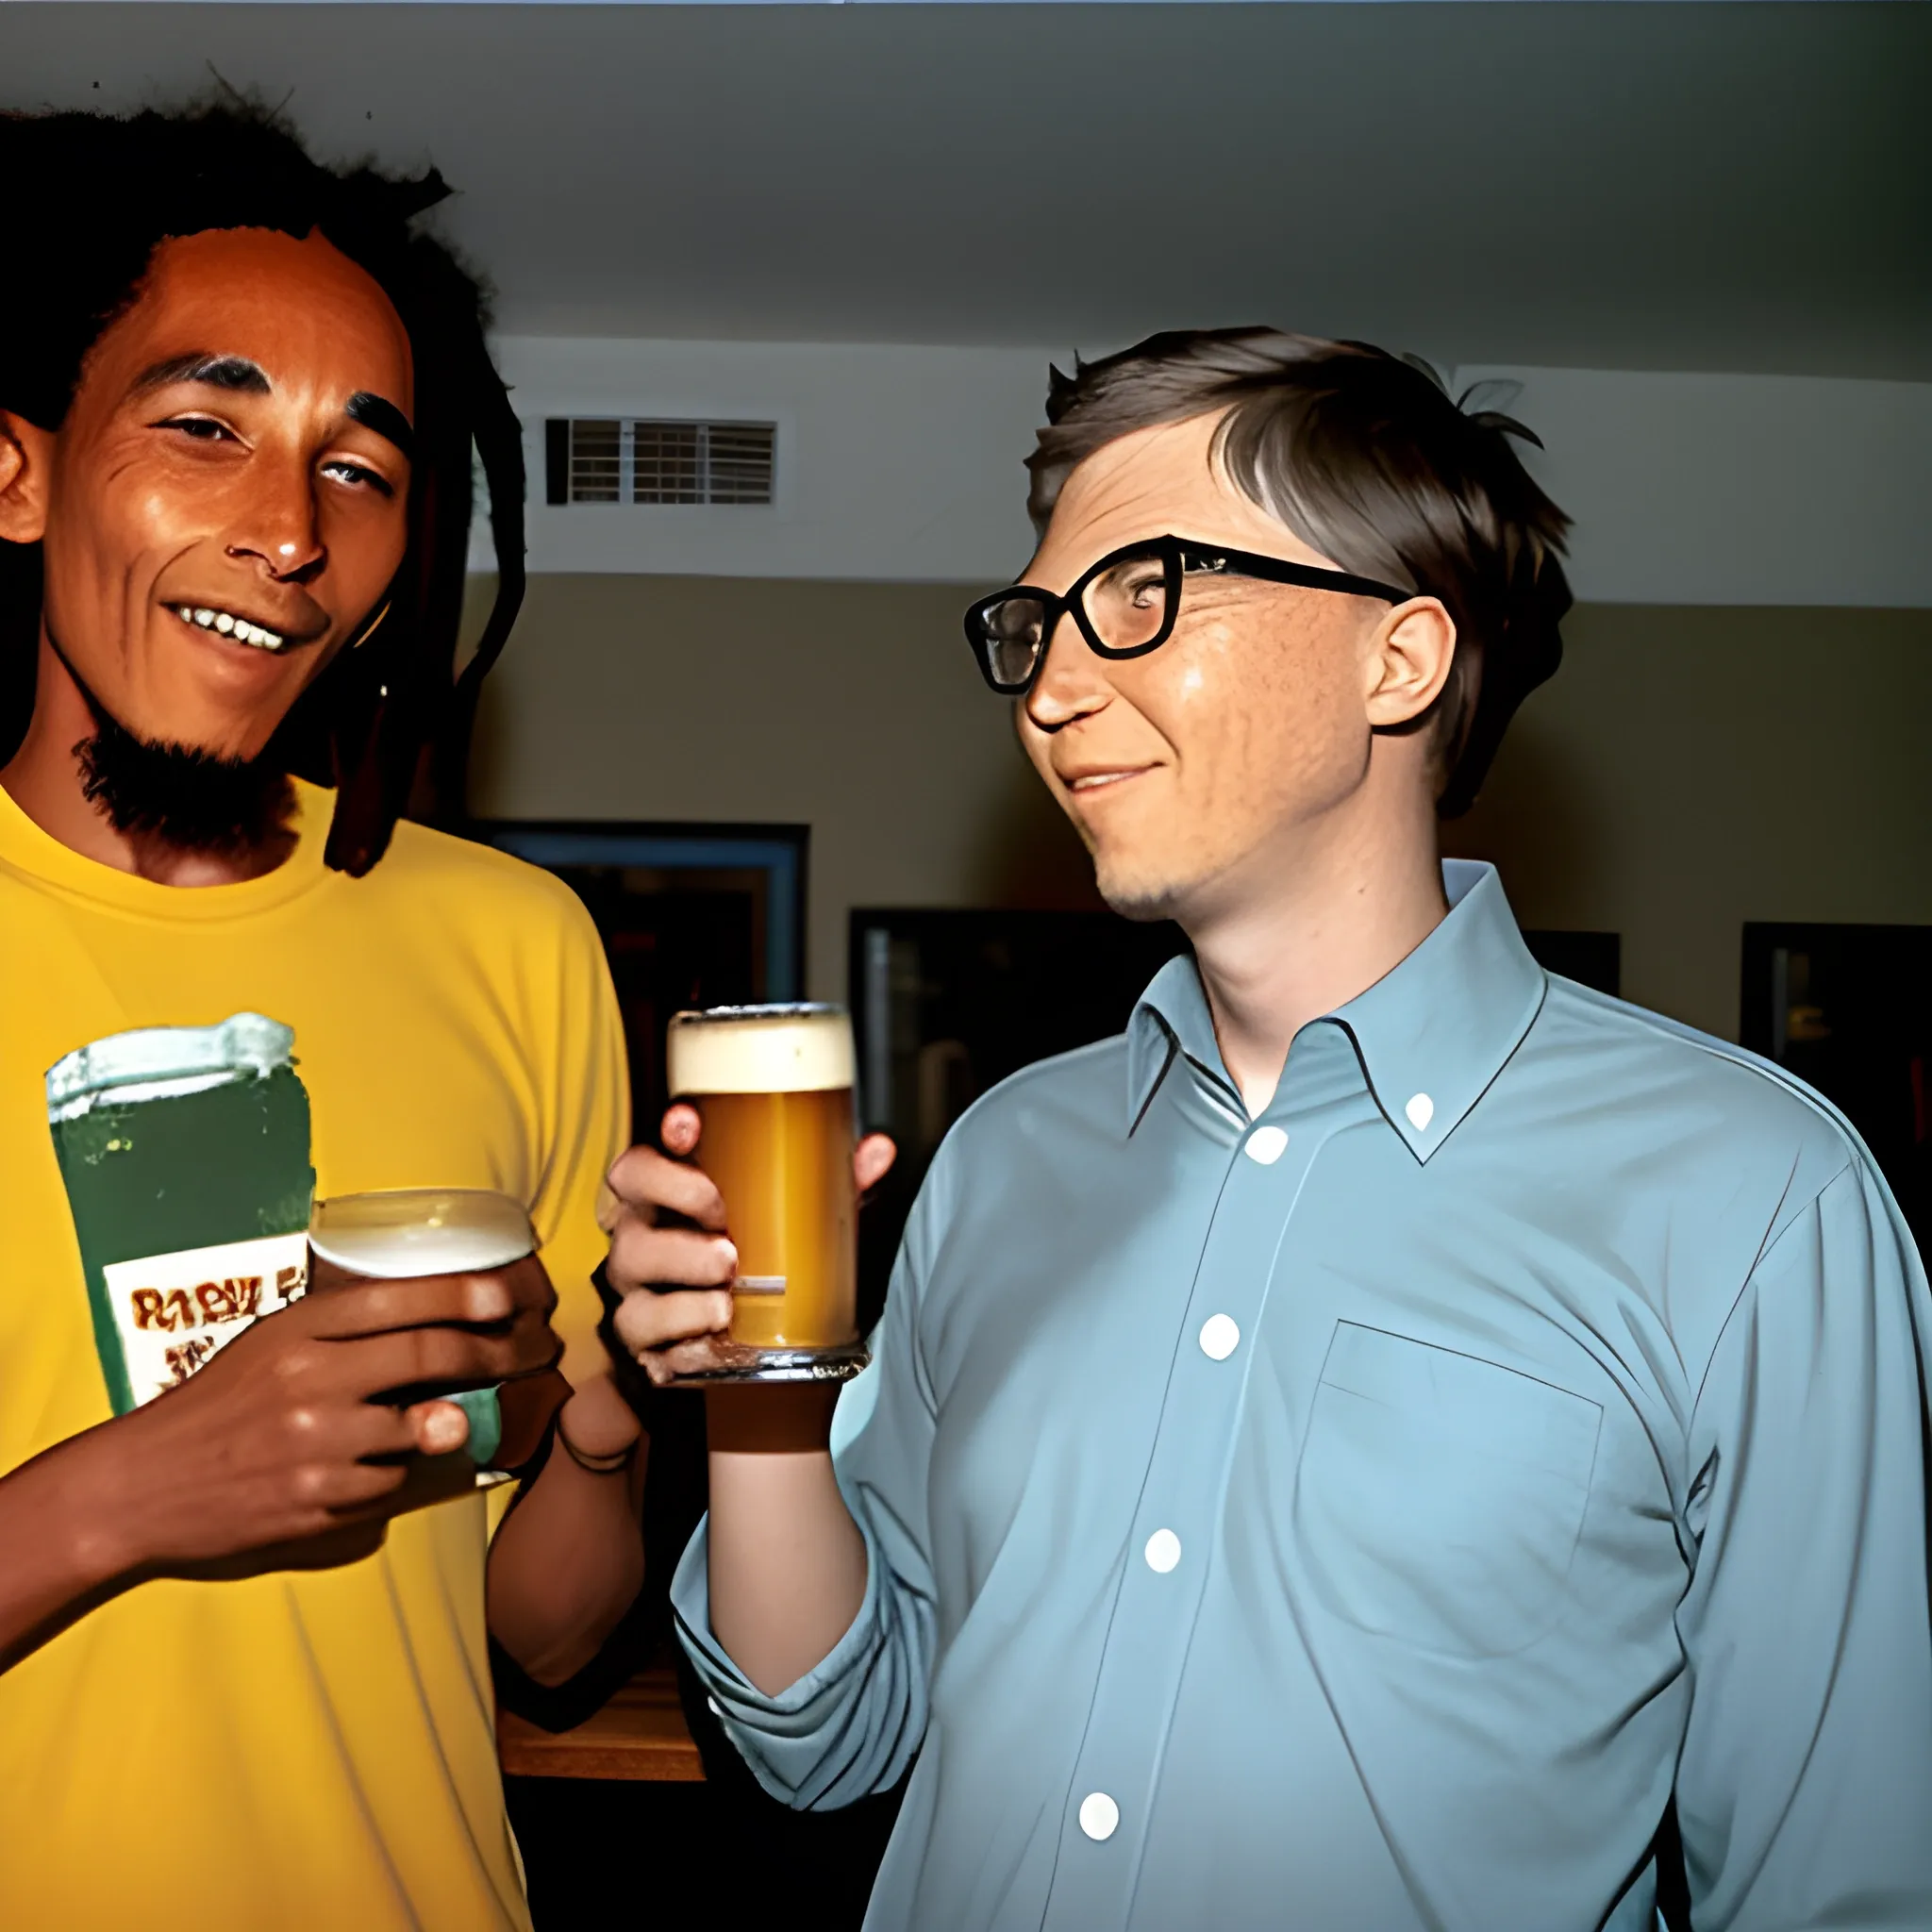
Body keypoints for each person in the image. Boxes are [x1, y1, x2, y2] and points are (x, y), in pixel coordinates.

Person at [610, 329, 1932, 1929]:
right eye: (1036, 623)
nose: (1052, 686)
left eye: (1144, 593)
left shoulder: (1755, 1201)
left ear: (1402, 658)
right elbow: (828, 1737)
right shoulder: (1007, 1157)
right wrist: (750, 1395)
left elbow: (1837, 1889)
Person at [0, 101, 650, 1928]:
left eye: (361, 471)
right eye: (203, 428)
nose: (286, 530)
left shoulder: (517, 943)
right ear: (18, 475)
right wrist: (124, 1493)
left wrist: (590, 1420)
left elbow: (551, 1635)